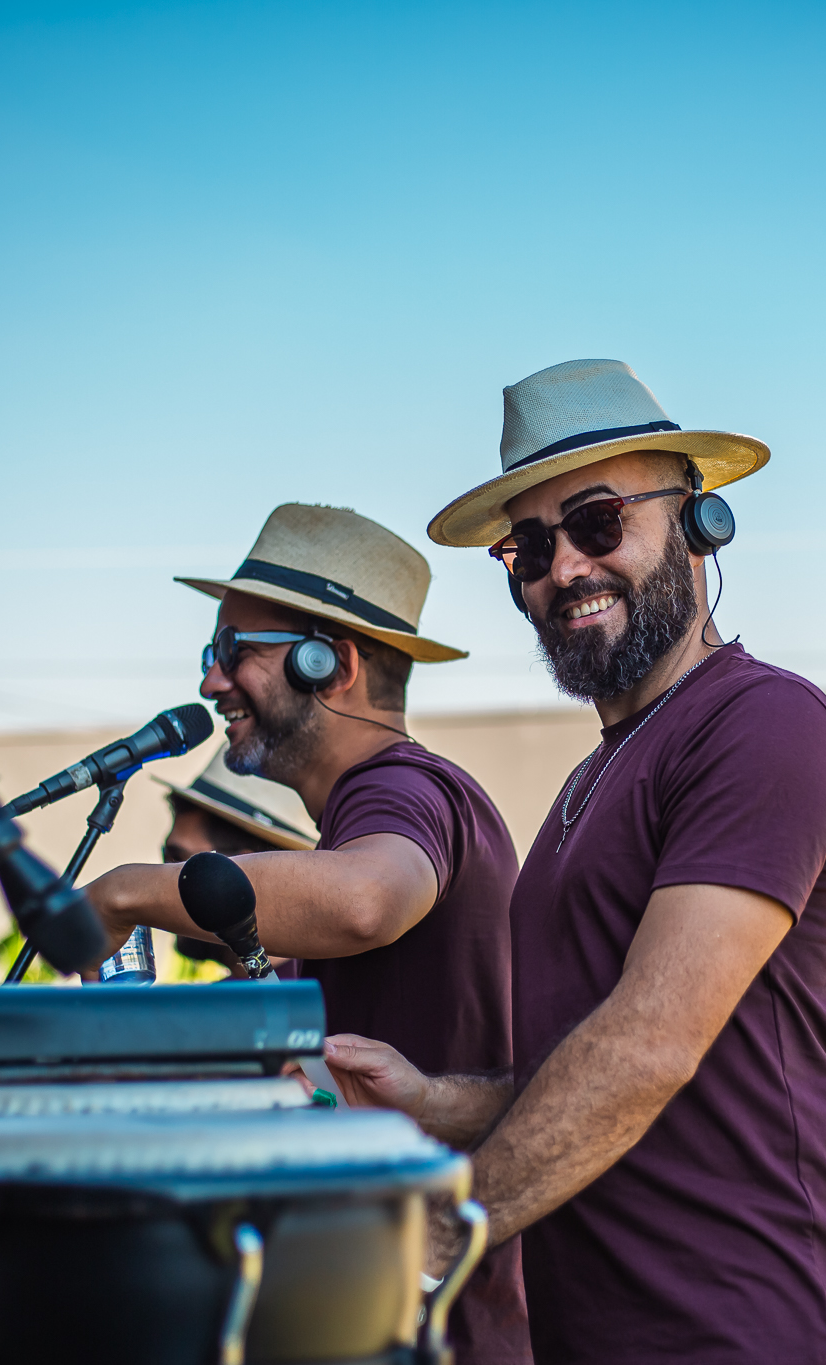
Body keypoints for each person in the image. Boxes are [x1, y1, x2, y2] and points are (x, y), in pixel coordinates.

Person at [326, 360, 826, 1364]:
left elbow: (647, 1047)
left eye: (597, 522)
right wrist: (430, 1100)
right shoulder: (589, 784)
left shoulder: (763, 723)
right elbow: (581, 1074)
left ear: (697, 520)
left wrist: (435, 1243)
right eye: (528, 547)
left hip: (759, 1333)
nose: (563, 568)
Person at [83, 503, 531, 1364]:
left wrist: (126, 891)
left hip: (424, 1328)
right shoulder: (366, 813)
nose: (212, 683)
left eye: (233, 650)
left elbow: (365, 900)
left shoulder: (400, 787)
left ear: (334, 662)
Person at [153, 739, 317, 972]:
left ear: (246, 873)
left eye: (178, 861)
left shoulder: (320, 991)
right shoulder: (311, 984)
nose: (160, 877)